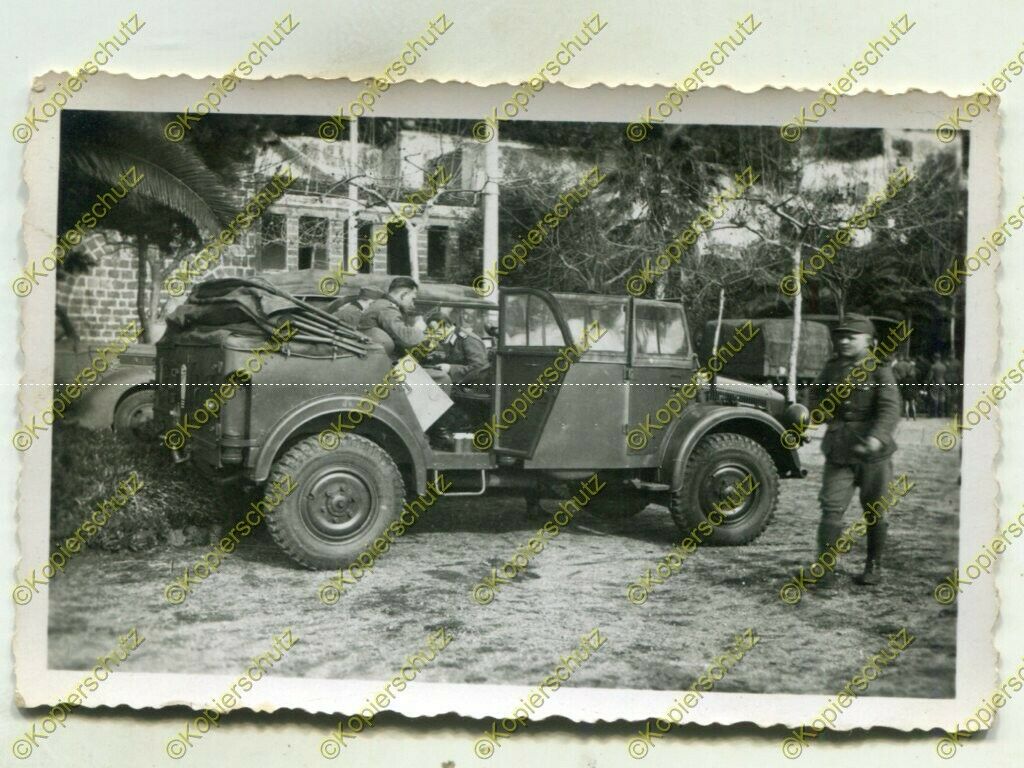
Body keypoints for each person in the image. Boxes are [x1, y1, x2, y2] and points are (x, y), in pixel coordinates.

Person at [811, 314, 901, 587]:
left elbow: (890, 409)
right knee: (831, 508)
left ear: (870, 341)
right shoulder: (833, 367)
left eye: (852, 336)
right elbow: (815, 394)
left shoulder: (879, 370)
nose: (845, 341)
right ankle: (825, 570)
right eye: (842, 336)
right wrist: (818, 412)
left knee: (875, 510)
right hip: (839, 449)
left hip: (874, 454)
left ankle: (873, 566)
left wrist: (876, 438)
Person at [893, 355, 918, 420]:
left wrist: (900, 381)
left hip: (901, 383)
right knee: (912, 402)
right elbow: (913, 374)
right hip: (910, 384)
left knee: (902, 399)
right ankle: (913, 413)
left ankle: (903, 412)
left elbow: (895, 376)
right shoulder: (909, 365)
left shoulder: (895, 366)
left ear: (898, 358)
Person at [925, 353, 949, 418]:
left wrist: (925, 385)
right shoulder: (944, 366)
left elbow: (930, 377)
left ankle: (934, 414)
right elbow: (946, 376)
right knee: (942, 398)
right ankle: (941, 414)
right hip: (943, 383)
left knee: (935, 398)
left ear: (934, 358)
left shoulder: (933, 366)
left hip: (936, 383)